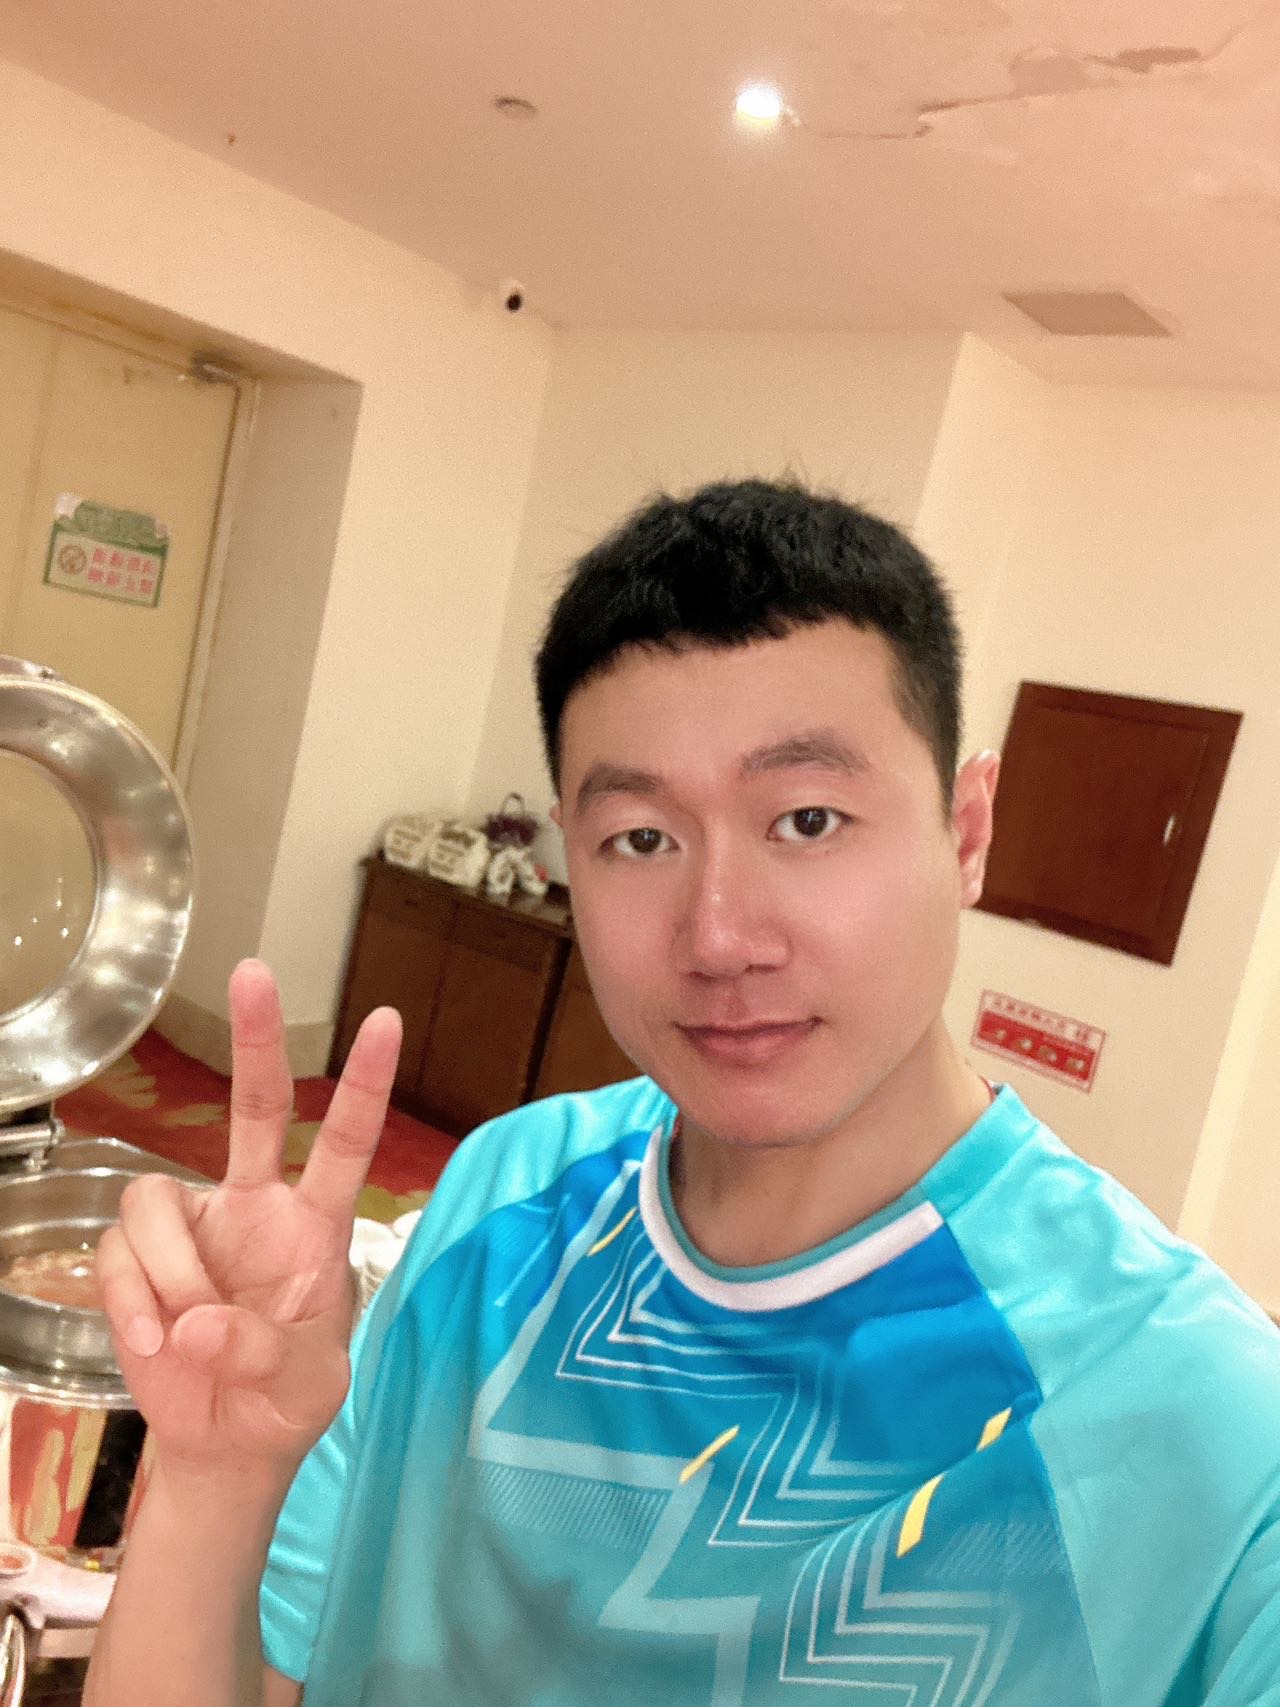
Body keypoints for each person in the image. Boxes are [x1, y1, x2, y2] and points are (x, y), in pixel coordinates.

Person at [85, 479, 1280, 1707]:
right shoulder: (506, 1194)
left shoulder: (1202, 1428)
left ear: (964, 832)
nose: (716, 938)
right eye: (640, 839)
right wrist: (216, 1483)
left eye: (806, 819)